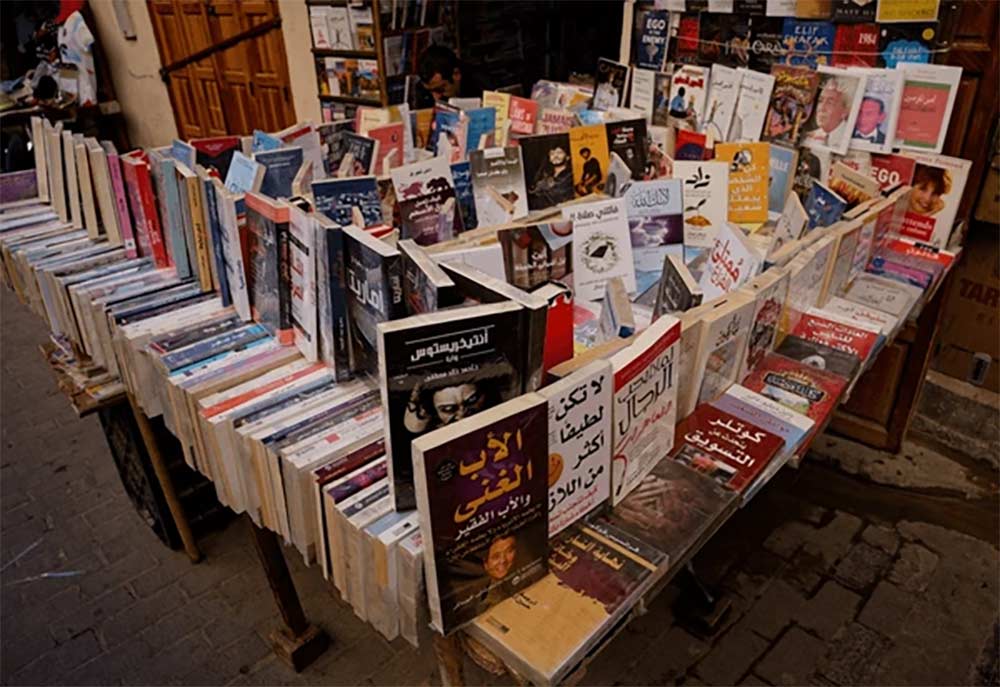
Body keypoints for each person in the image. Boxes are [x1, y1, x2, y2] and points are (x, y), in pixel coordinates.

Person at [416, 44, 486, 105]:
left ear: (456, 75)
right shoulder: (423, 92)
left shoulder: (481, 87)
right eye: (429, 91)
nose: (435, 98)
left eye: (440, 89)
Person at [803, 77, 851, 148]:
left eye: (830, 103)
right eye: (820, 101)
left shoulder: (847, 139)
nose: (822, 108)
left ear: (845, 112)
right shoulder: (809, 137)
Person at [528, 142, 573, 208]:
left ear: (567, 157)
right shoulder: (545, 174)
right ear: (549, 158)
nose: (555, 156)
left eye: (559, 153)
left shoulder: (570, 175)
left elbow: (557, 195)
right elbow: (534, 191)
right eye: (552, 153)